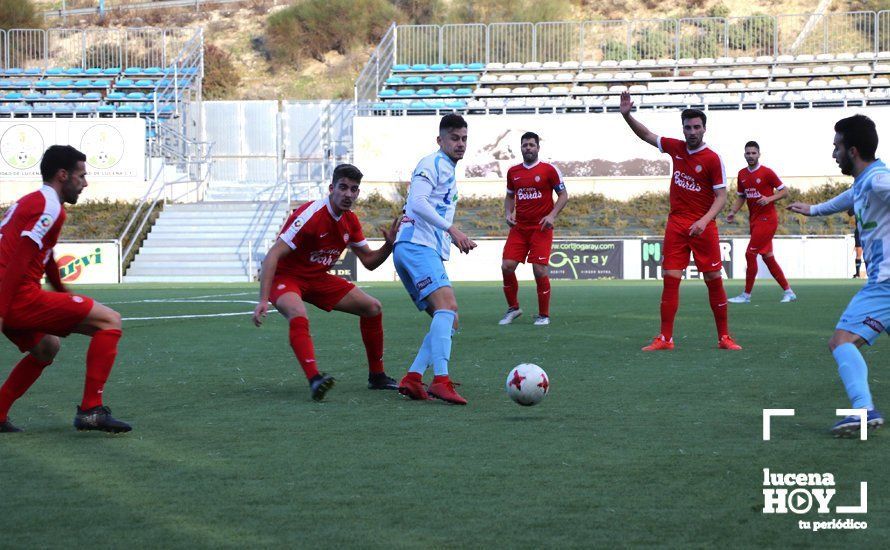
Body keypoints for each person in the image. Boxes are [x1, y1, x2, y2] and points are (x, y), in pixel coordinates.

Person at [0, 145, 130, 433]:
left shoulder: (35, 202)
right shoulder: (49, 208)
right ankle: (90, 411)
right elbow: (20, 259)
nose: (85, 183)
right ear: (62, 175)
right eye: (81, 176)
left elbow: (44, 257)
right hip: (15, 296)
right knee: (110, 320)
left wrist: (60, 292)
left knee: (47, 347)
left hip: (11, 294)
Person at [252, 164, 400, 401]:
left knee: (373, 308)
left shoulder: (350, 221)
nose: (348, 194)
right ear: (331, 188)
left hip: (318, 279)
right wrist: (262, 299)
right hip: (287, 277)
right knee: (298, 313)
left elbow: (369, 262)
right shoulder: (310, 215)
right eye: (343, 187)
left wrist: (389, 245)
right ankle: (314, 379)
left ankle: (377, 376)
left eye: (354, 189)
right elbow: (272, 255)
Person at [787, 114, 887, 436]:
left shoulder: (877, 180)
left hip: (885, 284)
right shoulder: (865, 183)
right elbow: (847, 198)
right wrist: (813, 210)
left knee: (841, 341)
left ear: (853, 151)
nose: (834, 154)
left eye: (837, 148)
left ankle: (862, 410)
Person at [619, 91, 741, 351]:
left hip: (703, 227)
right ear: (683, 129)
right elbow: (646, 135)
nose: (692, 131)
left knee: (713, 279)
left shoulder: (712, 159)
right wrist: (628, 116)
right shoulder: (675, 147)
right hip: (676, 225)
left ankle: (724, 337)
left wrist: (704, 220)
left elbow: (721, 196)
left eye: (697, 127)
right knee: (670, 278)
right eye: (688, 127)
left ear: (704, 129)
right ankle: (665, 338)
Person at [394, 114, 477, 405]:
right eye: (454, 138)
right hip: (417, 245)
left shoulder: (447, 169)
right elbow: (417, 202)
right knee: (448, 308)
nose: (460, 144)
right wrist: (452, 230)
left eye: (464, 138)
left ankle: (414, 378)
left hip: (417, 247)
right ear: (440, 140)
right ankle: (440, 380)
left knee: (449, 319)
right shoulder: (432, 163)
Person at [499, 132, 569, 326]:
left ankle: (543, 315)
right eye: (525, 145)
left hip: (541, 228)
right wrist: (508, 213)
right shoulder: (513, 172)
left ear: (538, 148)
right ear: (520, 148)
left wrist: (552, 215)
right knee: (507, 266)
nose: (528, 148)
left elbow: (563, 195)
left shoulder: (549, 170)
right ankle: (513, 308)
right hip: (519, 228)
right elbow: (509, 196)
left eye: (531, 145)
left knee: (539, 270)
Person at [726, 141, 797, 304]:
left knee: (750, 253)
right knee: (767, 257)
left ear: (759, 154)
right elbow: (741, 196)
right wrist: (732, 212)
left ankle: (746, 295)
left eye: (753, 153)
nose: (750, 156)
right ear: (744, 155)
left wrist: (769, 198)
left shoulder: (766, 172)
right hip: (755, 220)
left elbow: (785, 192)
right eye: (748, 153)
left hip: (768, 219)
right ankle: (789, 292)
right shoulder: (742, 174)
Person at [849, 208, 864, 278]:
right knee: (858, 252)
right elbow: (850, 212)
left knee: (870, 253)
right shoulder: (857, 203)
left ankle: (873, 274)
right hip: (859, 231)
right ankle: (857, 273)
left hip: (870, 230)